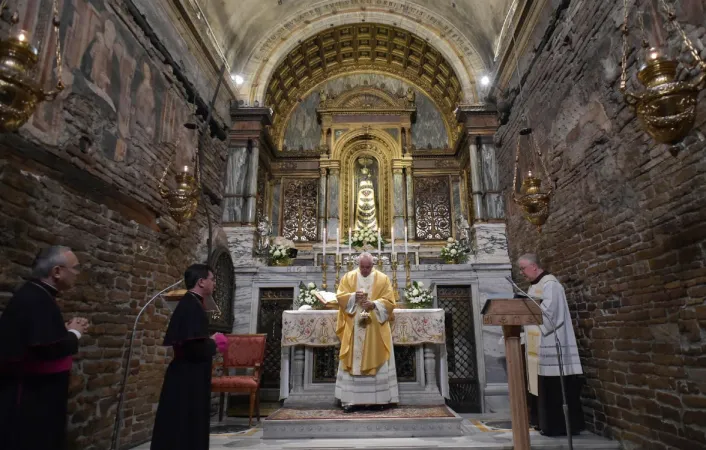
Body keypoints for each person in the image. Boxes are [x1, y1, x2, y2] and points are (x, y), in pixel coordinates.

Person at [0, 246, 90, 450]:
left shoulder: (37, 294)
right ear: (57, 271)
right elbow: (48, 350)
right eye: (75, 268)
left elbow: (43, 338)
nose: (77, 273)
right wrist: (75, 332)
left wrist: (63, 331)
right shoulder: (35, 298)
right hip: (31, 397)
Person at [150, 264, 227, 450]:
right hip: (188, 376)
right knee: (184, 424)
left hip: (188, 374)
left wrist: (208, 341)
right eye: (212, 279)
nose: (214, 283)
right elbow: (193, 348)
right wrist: (214, 342)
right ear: (201, 282)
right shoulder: (192, 305)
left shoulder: (191, 303)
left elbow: (191, 341)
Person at [517, 253, 584, 436]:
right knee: (541, 385)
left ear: (534, 266)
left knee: (554, 386)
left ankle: (558, 426)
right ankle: (543, 423)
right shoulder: (534, 286)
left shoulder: (550, 284)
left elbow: (551, 315)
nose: (521, 273)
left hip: (551, 341)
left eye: (523, 269)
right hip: (537, 342)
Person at [335, 252, 398, 413]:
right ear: (358, 265)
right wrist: (352, 297)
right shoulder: (348, 278)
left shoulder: (382, 279)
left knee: (377, 358)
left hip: (375, 326)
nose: (364, 270)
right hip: (355, 324)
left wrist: (375, 304)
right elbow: (340, 297)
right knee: (353, 362)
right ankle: (351, 400)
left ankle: (379, 400)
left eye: (368, 267)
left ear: (373, 265)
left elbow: (390, 302)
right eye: (362, 267)